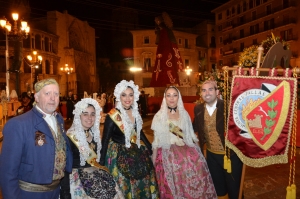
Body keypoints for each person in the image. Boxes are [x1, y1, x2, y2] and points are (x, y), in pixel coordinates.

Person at [0, 78, 72, 199]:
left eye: (56, 94)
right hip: (30, 194)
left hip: (55, 192)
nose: (53, 98)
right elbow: (7, 172)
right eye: (47, 93)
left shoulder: (59, 119)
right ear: (37, 97)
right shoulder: (18, 124)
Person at [151, 86, 217, 198]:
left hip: (186, 148)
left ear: (178, 97)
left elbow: (190, 135)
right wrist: (153, 159)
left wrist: (199, 153)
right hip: (168, 151)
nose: (172, 98)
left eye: (174, 95)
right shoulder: (159, 116)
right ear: (165, 98)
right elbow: (156, 141)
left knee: (197, 165)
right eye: (169, 95)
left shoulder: (184, 114)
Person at [100, 80, 159, 199]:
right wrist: (101, 164)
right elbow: (105, 140)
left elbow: (139, 133)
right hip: (117, 153)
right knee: (123, 183)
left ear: (134, 96)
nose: (127, 98)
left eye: (130, 95)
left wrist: (150, 148)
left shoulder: (136, 113)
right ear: (119, 97)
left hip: (136, 150)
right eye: (124, 95)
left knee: (143, 180)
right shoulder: (112, 116)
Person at [60, 98, 124, 199]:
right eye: (85, 114)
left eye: (93, 114)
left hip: (96, 175)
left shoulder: (94, 135)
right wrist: (65, 193)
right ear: (78, 116)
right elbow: (64, 167)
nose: (89, 117)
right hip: (78, 182)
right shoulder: (69, 137)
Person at [193, 80, 243, 199]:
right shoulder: (198, 108)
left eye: (210, 89)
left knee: (234, 188)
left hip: (231, 156)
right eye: (204, 90)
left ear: (217, 92)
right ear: (201, 94)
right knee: (218, 188)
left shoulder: (228, 106)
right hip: (212, 156)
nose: (207, 93)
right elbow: (194, 128)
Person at [150, 12, 183, 87]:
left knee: (168, 63)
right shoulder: (161, 31)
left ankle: (171, 80)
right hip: (162, 49)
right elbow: (158, 39)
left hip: (167, 48)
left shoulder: (166, 31)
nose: (158, 23)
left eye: (159, 22)